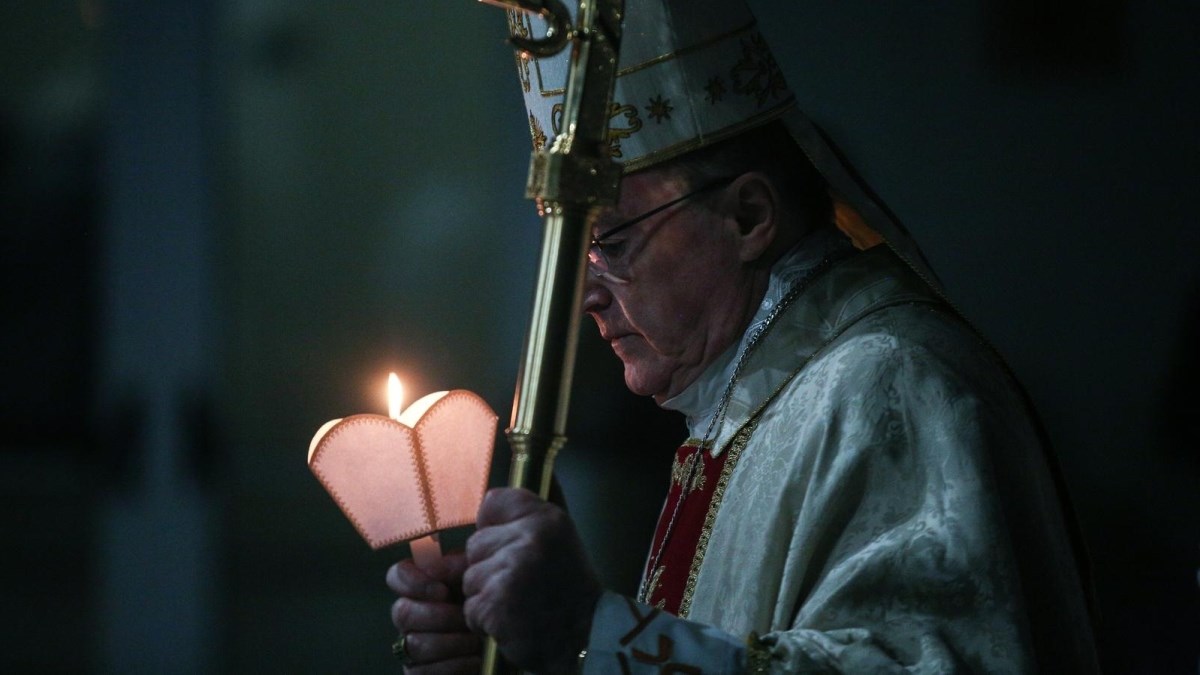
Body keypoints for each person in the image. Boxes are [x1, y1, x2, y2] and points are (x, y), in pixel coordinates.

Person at [387, 1, 1100, 672]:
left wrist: (593, 632)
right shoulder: (746, 402)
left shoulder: (889, 383)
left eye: (613, 242)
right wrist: (543, 653)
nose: (587, 294)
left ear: (749, 215)